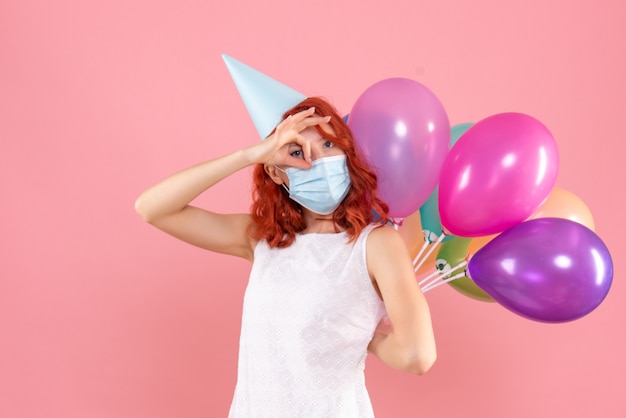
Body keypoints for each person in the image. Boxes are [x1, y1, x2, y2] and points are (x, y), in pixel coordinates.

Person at [135, 96, 436, 417]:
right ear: (277, 174)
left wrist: (366, 338)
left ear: (347, 157)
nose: (317, 160)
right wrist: (248, 155)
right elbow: (153, 208)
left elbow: (416, 355)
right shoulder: (262, 239)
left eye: (329, 146)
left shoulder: (375, 244)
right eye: (297, 152)